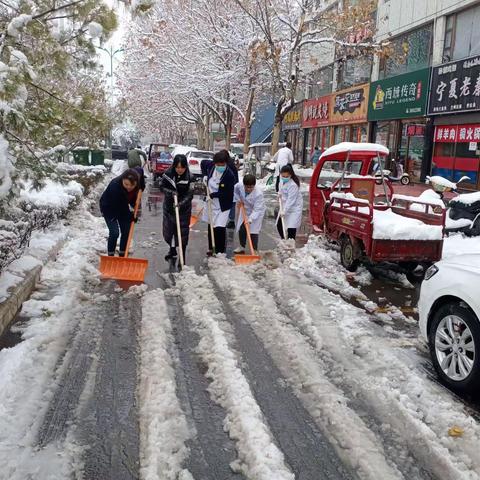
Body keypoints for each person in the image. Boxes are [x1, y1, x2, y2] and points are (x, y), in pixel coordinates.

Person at [201, 149, 237, 255]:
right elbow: (203, 163)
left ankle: (220, 250)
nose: (220, 166)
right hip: (211, 203)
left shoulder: (229, 175)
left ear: (226, 163)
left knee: (219, 227)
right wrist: (205, 175)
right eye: (218, 164)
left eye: (222, 164)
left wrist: (213, 195)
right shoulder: (212, 167)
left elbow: (228, 193)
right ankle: (211, 248)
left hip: (223, 205)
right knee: (211, 224)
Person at [99, 169, 140, 257]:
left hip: (121, 208)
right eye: (126, 184)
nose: (129, 187)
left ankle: (122, 254)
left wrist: (135, 205)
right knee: (114, 233)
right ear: (122, 180)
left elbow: (132, 198)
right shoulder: (115, 186)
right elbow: (120, 207)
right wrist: (130, 216)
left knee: (126, 231)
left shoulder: (135, 186)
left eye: (132, 185)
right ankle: (111, 255)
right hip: (109, 208)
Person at [161, 154, 193, 265]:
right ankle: (172, 250)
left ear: (186, 167)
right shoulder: (168, 175)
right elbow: (161, 187)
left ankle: (182, 256)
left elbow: (190, 195)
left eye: (182, 167)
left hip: (183, 210)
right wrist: (170, 193)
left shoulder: (190, 177)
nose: (180, 170)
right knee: (170, 231)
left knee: (182, 234)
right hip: (169, 208)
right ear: (174, 166)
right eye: (177, 167)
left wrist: (180, 204)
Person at [233, 174, 266, 254]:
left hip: (256, 212)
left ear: (254, 185)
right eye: (247, 187)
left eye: (251, 187)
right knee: (242, 228)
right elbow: (235, 190)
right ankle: (242, 247)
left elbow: (257, 209)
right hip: (245, 209)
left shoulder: (258, 194)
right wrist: (238, 199)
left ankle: (254, 249)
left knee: (253, 231)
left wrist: (250, 219)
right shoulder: (239, 186)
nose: (248, 189)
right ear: (244, 185)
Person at [277, 164, 302, 241]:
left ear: (290, 175)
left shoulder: (293, 185)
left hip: (294, 208)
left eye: (286, 176)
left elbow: (291, 200)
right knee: (279, 224)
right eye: (283, 176)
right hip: (285, 205)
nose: (284, 178)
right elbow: (281, 189)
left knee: (291, 227)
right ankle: (284, 240)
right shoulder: (282, 181)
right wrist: (280, 193)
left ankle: (291, 244)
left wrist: (285, 210)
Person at [227, 152, 239, 229]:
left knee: (231, 204)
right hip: (233, 186)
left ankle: (231, 221)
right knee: (231, 203)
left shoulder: (229, 165)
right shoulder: (230, 163)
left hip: (231, 186)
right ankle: (231, 220)